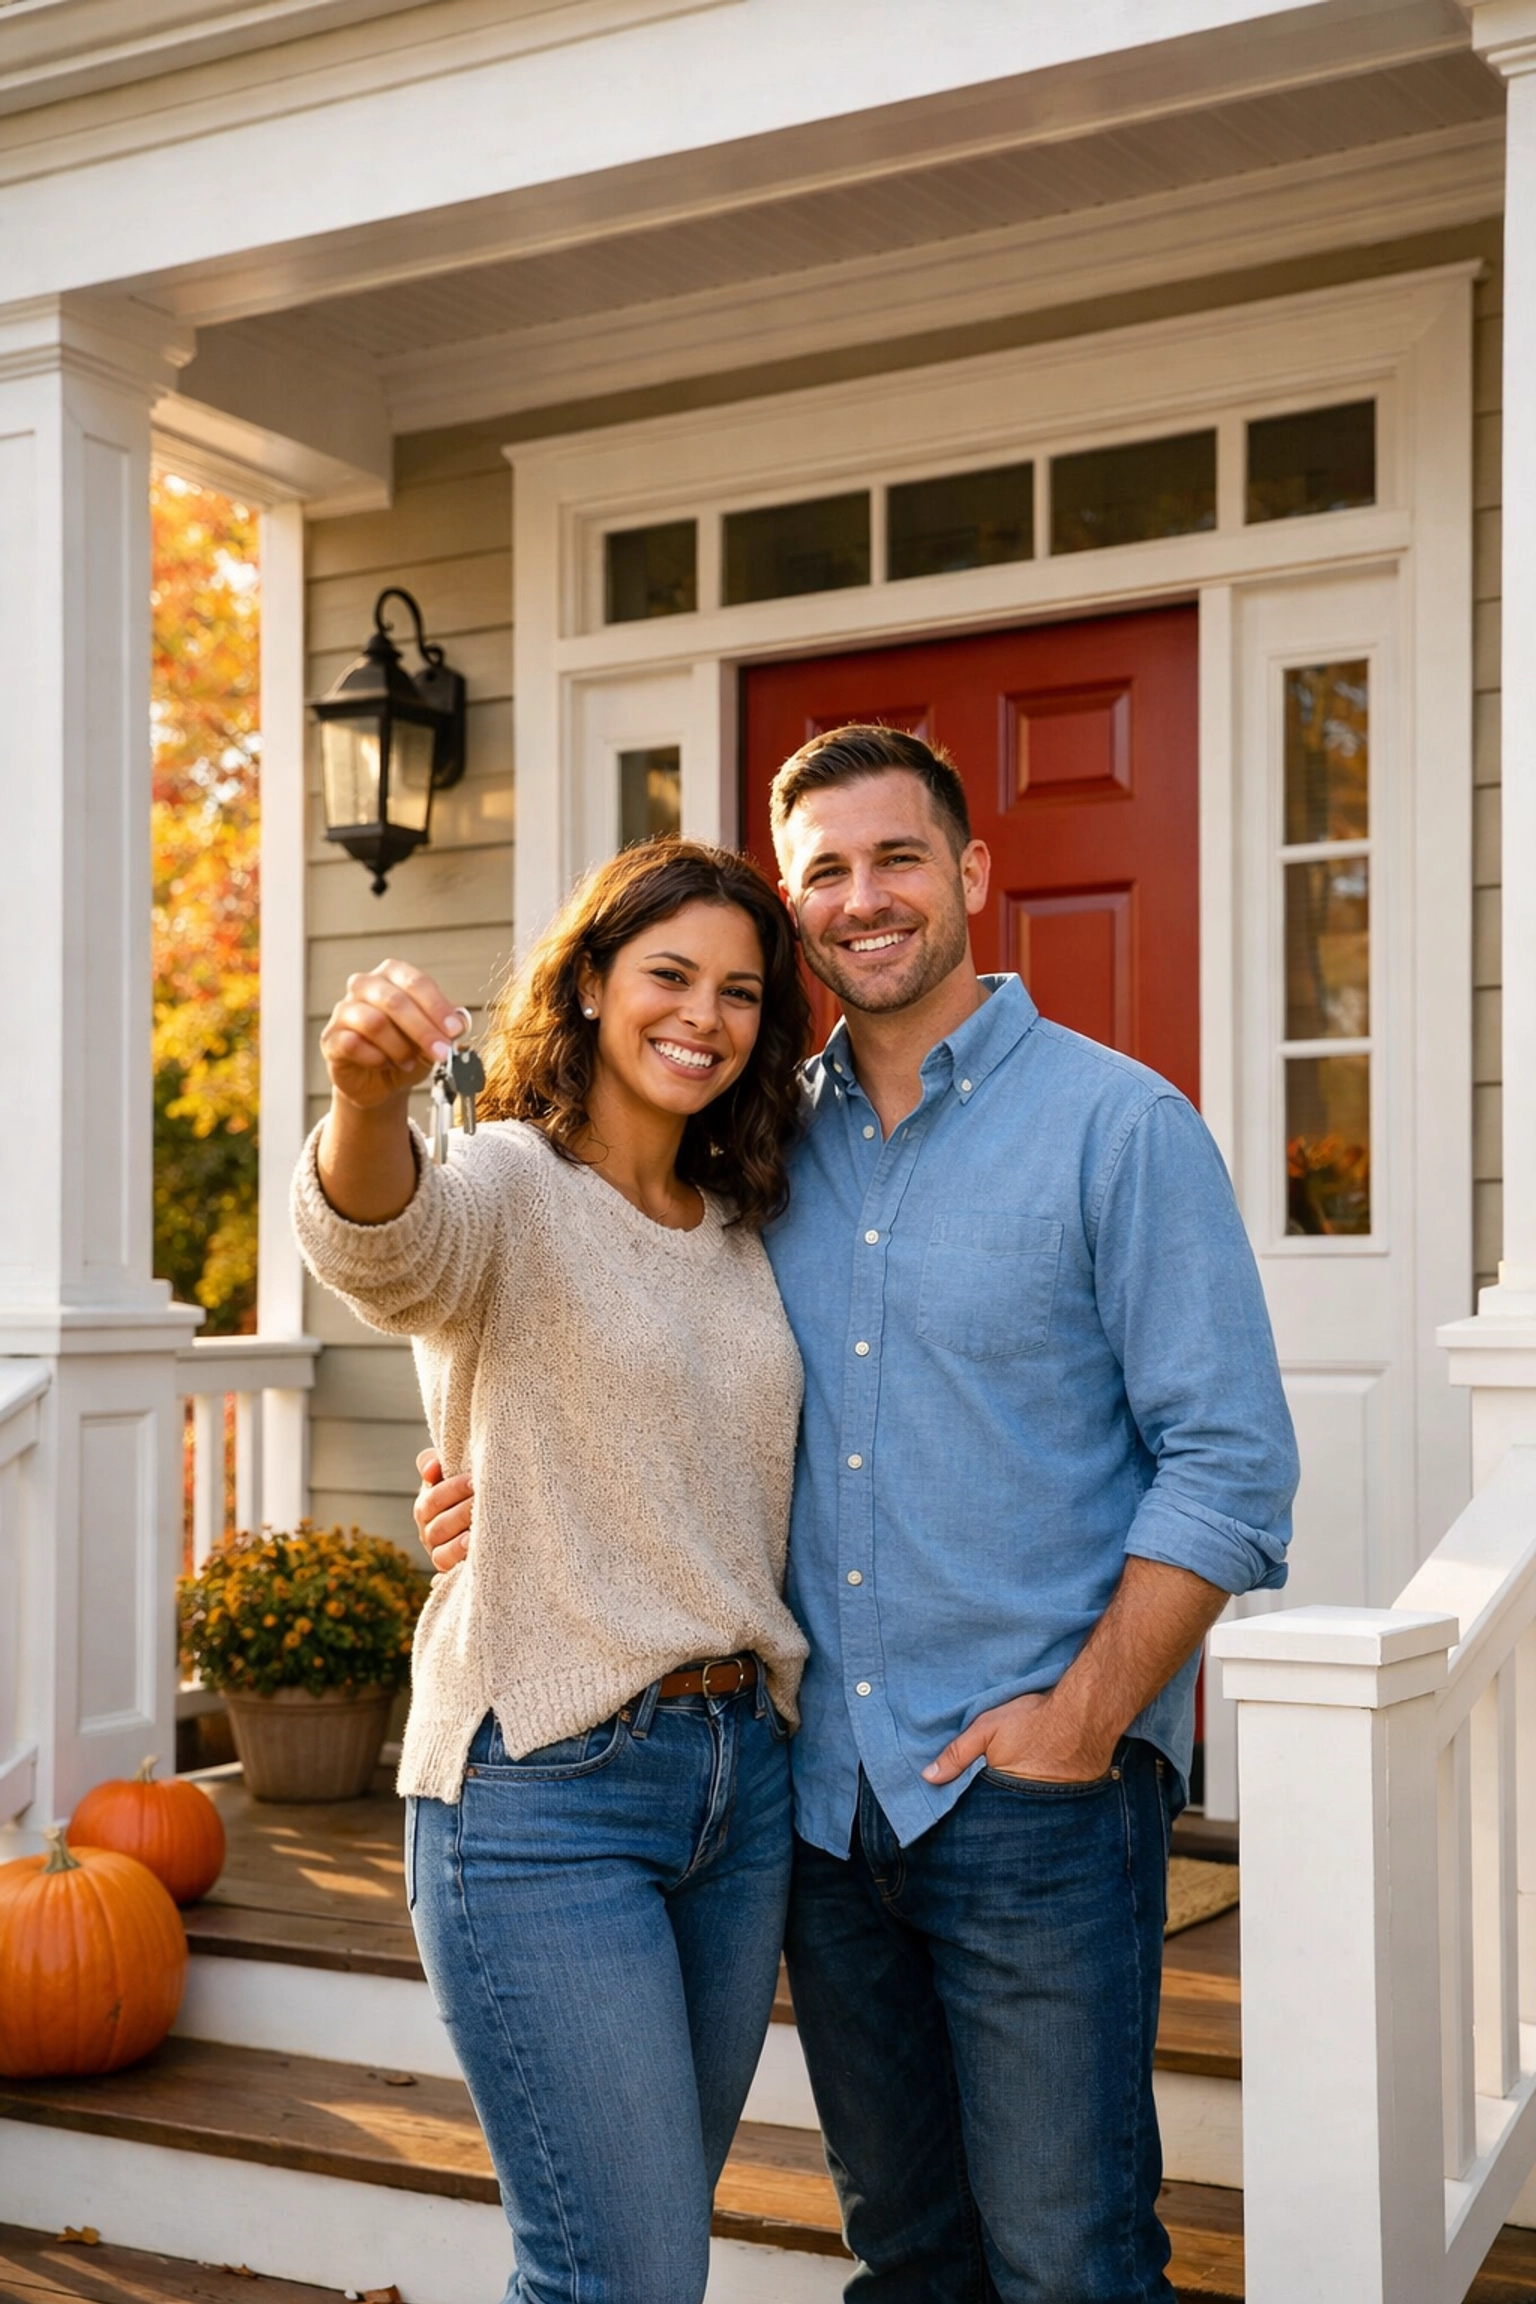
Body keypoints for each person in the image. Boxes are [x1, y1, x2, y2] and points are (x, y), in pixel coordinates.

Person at [417, 727, 1300, 2303]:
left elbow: (1232, 1467)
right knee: (905, 2259)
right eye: (824, 868)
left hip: (1032, 1796)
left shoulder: (1118, 1127)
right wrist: (512, 1484)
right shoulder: (758, 1150)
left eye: (898, 858)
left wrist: (1088, 1718)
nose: (863, 896)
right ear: (795, 905)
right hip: (813, 1809)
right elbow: (643, 1372)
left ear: (970, 873)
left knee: (1070, 2260)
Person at [293, 838, 812, 2304]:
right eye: (666, 975)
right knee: (623, 2275)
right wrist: (366, 1095)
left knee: (627, 2261)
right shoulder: (509, 1182)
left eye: (740, 991)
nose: (702, 1016)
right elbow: (384, 1241)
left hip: (739, 1789)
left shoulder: (746, 1228)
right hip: (545, 1786)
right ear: (588, 984)